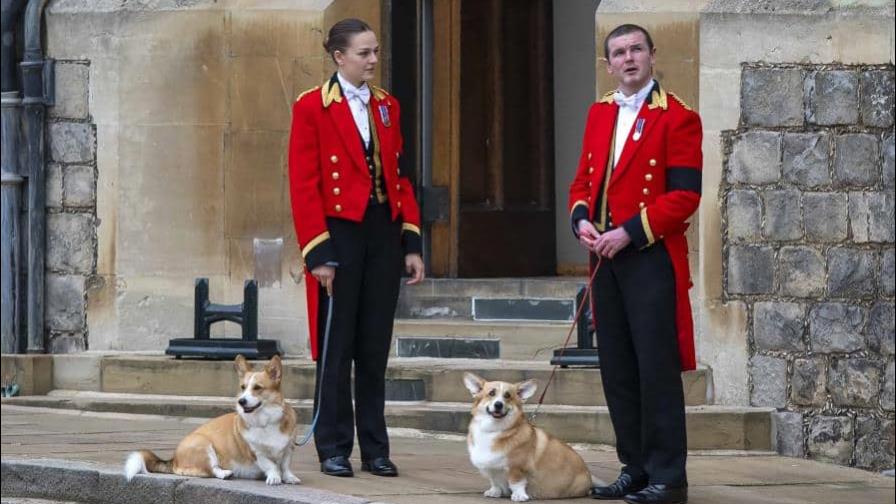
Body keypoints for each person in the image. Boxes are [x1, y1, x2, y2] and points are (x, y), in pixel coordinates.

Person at [568, 24, 702, 504]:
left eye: (636, 50)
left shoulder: (679, 117)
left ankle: (669, 477)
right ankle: (636, 467)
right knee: (617, 368)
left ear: (650, 55)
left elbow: (686, 195)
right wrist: (582, 221)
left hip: (648, 256)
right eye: (618, 53)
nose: (628, 59)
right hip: (605, 258)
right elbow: (584, 180)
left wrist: (628, 231)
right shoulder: (600, 111)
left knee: (655, 369)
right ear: (608, 64)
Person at [287, 18, 425, 478]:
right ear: (338, 57)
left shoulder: (387, 106)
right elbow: (303, 185)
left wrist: (410, 241)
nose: (373, 60)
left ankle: (376, 447)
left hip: (382, 233)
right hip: (337, 236)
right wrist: (318, 254)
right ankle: (332, 446)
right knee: (336, 345)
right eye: (364, 53)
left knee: (373, 347)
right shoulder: (311, 106)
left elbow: (401, 177)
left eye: (375, 52)